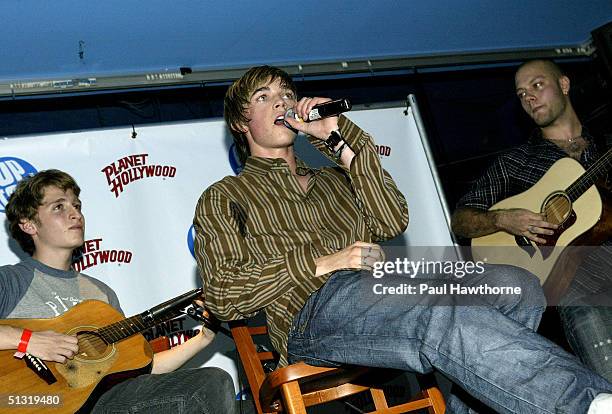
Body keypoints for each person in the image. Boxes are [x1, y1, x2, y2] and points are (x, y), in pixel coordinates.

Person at [193, 65, 612, 413]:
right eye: (264, 98)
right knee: (439, 312)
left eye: (286, 93)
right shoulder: (224, 197)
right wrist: (324, 262)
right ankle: (585, 403)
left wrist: (339, 140)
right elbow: (225, 295)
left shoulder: (334, 179)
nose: (283, 102)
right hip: (311, 316)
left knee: (517, 287)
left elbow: (393, 218)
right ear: (240, 122)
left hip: (389, 284)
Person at [0, 169, 236, 413]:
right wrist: (29, 340)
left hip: (102, 406)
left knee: (211, 382)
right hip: (23, 403)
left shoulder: (101, 294)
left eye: (77, 206)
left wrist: (203, 338)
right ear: (28, 224)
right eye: (59, 207)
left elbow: (138, 369)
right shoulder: (10, 280)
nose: (75, 214)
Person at [451, 59, 612, 383]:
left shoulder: (605, 145)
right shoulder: (516, 162)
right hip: (574, 286)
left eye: (537, 85)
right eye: (522, 94)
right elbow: (462, 221)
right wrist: (502, 219)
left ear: (564, 84)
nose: (529, 98)